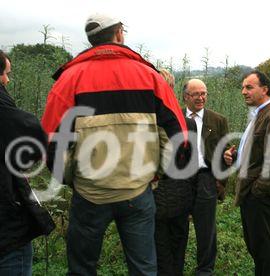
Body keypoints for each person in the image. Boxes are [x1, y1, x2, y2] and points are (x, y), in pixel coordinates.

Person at [41, 14, 187, 275]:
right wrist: (157, 173)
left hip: (89, 194)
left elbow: (50, 143)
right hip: (137, 191)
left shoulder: (69, 79)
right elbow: (179, 137)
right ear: (119, 34)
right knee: (143, 268)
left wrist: (72, 179)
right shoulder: (151, 77)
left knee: (82, 268)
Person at [224, 70, 270, 276]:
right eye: (243, 87)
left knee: (265, 252)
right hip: (250, 194)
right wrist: (235, 157)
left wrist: (256, 192)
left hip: (258, 197)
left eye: (249, 87)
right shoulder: (259, 115)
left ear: (265, 89)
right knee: (257, 249)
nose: (244, 91)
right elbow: (257, 155)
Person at [0, 51, 54, 275]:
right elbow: (34, 138)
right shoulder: (4, 111)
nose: (7, 80)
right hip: (6, 230)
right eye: (4, 73)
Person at [154, 69, 198, 276]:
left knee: (159, 253)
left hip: (157, 195)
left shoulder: (146, 122)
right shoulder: (185, 122)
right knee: (176, 250)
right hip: (180, 195)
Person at [183, 78, 229, 275]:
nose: (201, 98)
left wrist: (221, 179)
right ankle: (174, 266)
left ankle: (205, 270)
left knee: (206, 228)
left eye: (204, 94)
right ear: (186, 97)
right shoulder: (175, 117)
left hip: (205, 178)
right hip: (180, 180)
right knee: (177, 225)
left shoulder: (218, 120)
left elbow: (226, 151)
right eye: (196, 94)